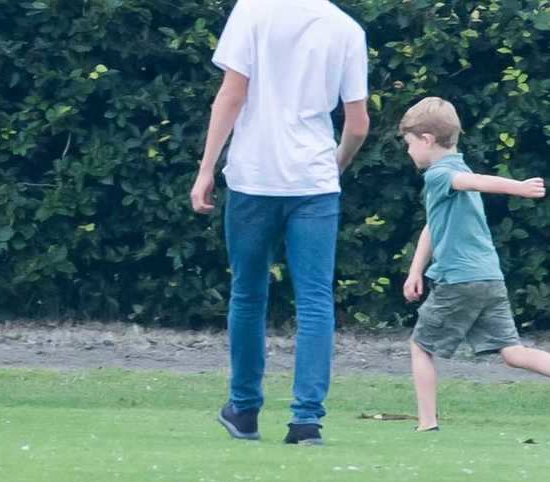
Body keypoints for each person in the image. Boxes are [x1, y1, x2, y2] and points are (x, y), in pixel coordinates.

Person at [190, 0, 370, 444]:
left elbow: (232, 94)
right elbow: (358, 123)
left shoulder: (252, 11)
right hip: (314, 180)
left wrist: (206, 168)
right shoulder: (345, 28)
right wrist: (336, 164)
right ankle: (306, 420)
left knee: (248, 295)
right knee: (314, 301)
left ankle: (244, 410)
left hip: (254, 177)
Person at [400, 97, 548, 432]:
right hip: (488, 277)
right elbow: (433, 224)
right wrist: (415, 270)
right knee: (513, 353)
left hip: (460, 280)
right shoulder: (457, 168)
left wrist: (519, 188)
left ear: (426, 139)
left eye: (409, 144)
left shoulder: (441, 173)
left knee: (420, 346)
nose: (408, 152)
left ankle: (426, 423)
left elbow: (476, 182)